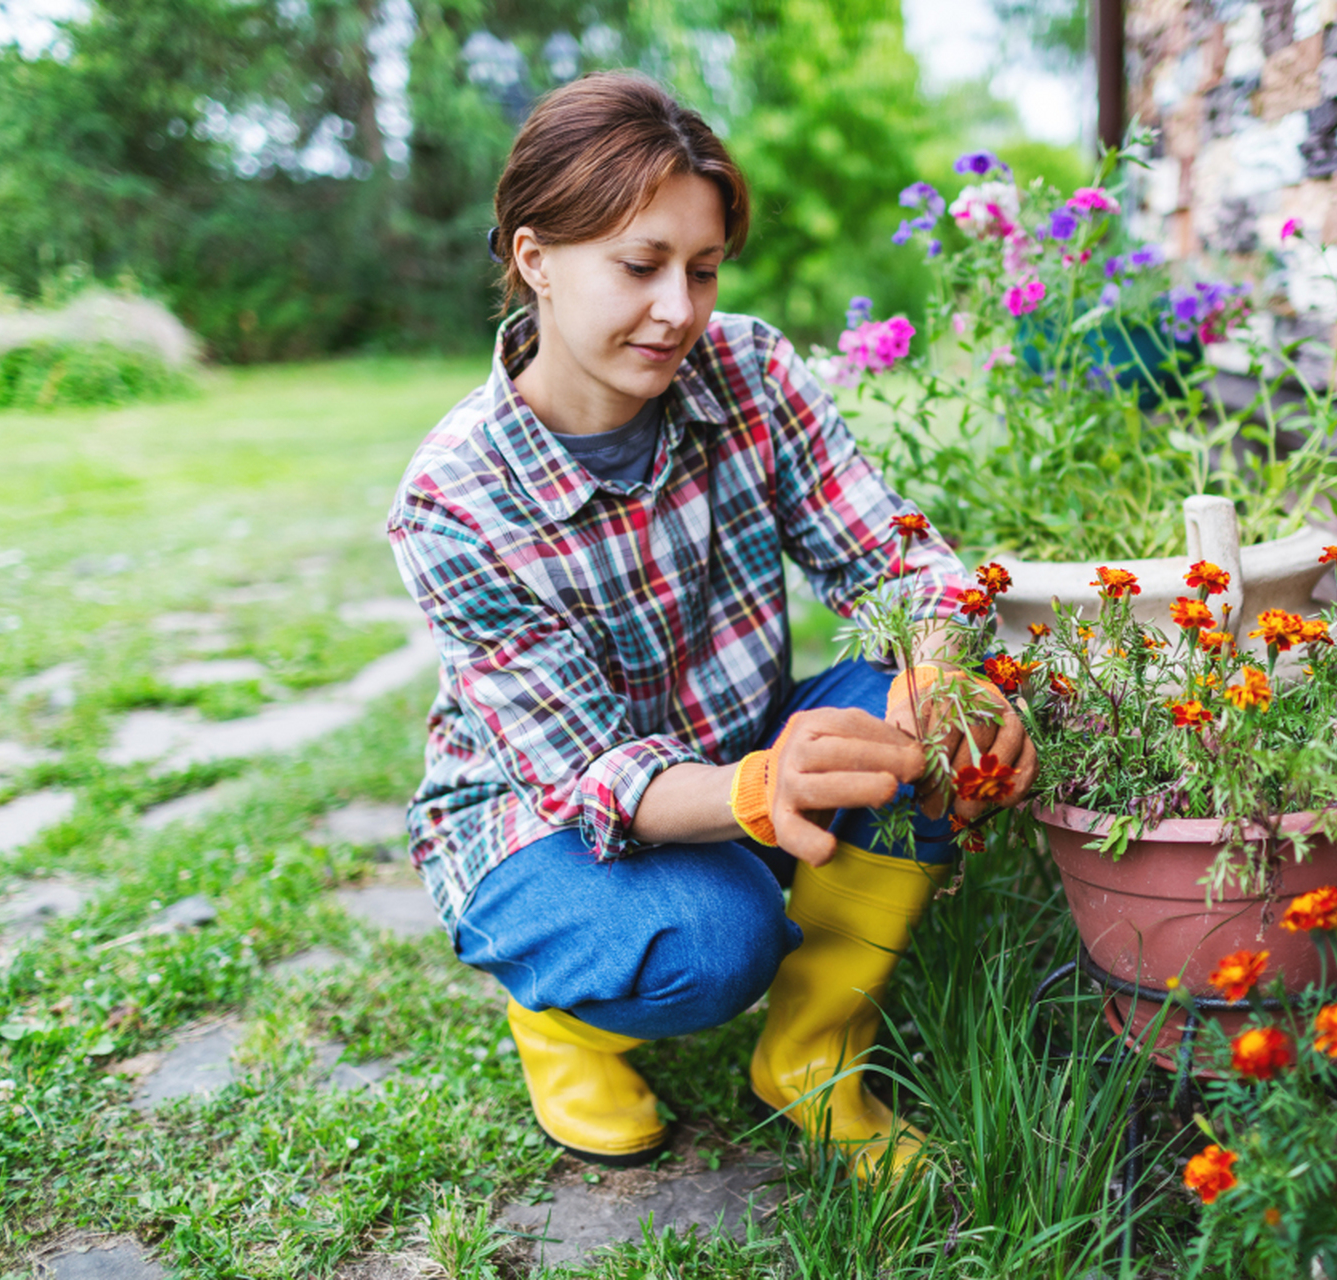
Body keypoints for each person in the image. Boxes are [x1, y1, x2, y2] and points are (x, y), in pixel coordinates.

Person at [388, 72, 1036, 1183]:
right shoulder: (453, 500)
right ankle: (567, 1020)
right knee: (714, 936)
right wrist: (757, 793)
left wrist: (944, 685)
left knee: (920, 721)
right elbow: (594, 773)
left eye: (702, 267)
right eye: (639, 267)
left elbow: (897, 561)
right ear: (535, 258)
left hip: (734, 743)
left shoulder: (745, 369)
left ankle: (813, 1058)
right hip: (534, 818)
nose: (679, 309)